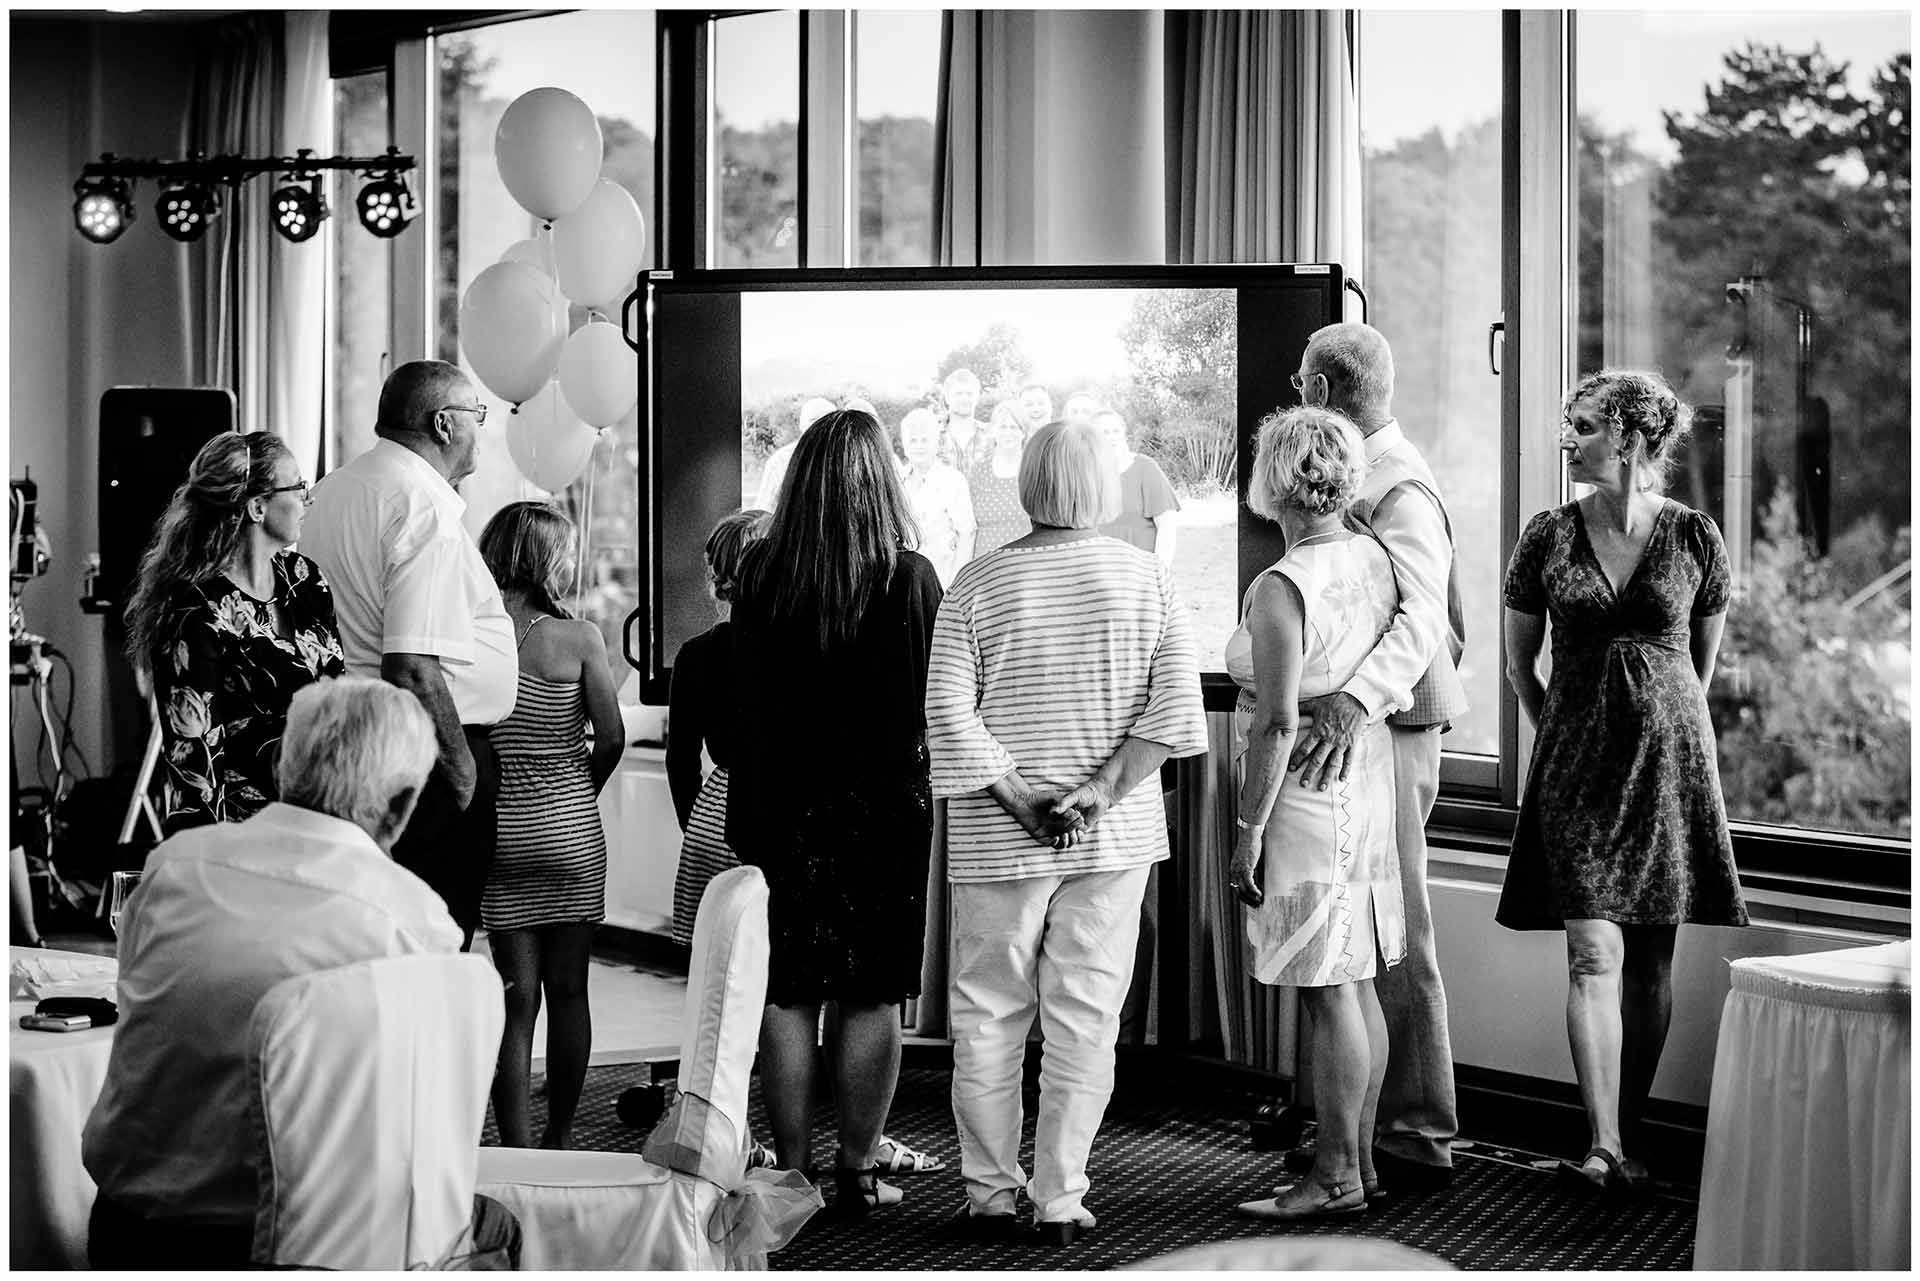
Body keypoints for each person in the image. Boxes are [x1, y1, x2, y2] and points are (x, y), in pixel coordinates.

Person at [81, 677, 518, 1269]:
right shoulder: (413, 922)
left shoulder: (172, 869)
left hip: (127, 1233)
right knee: (499, 1226)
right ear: (399, 807)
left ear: (287, 770)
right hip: (283, 1250)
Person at [926, 420, 1207, 1245]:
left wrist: (1019, 798)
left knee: (986, 1011)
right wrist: (1099, 792)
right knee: (1086, 1013)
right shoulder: (1148, 580)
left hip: (994, 837)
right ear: (1104, 488)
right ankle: (1059, 1197)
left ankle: (987, 1190)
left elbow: (946, 709)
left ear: (1025, 484)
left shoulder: (974, 584)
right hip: (1111, 840)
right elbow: (1173, 710)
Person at [1499, 370, 1747, 1192]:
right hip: (1575, 768)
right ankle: (1602, 1142)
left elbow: (1696, 668)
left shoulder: (1695, 536)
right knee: (1590, 951)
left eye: (1582, 425)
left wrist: (1656, 723)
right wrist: (1566, 727)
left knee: (1649, 960)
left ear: (1633, 440)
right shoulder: (1547, 534)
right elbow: (1517, 662)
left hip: (1669, 770)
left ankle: (1633, 1131)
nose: (1567, 438)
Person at [727, 409, 943, 1215]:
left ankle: (791, 1172)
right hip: (883, 814)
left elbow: (745, 713)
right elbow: (928, 704)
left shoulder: (759, 576)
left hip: (782, 811)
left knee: (788, 994)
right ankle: (856, 1170)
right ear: (882, 480)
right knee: (872, 993)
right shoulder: (909, 578)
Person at [1279, 322, 1468, 1192]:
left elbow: (1423, 616)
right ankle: (1353, 1132)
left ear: (1319, 392)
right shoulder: (1374, 468)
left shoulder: (1401, 484)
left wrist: (1353, 701)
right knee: (1358, 936)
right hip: (1364, 724)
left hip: (1388, 723)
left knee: (1396, 931)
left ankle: (1415, 1131)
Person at [1225, 407, 1403, 1221]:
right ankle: (1357, 1162)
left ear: (1274, 478)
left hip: (1300, 795)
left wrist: (1248, 831)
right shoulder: (1373, 556)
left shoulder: (1280, 585)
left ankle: (1332, 1176)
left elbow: (1278, 719)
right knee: (1355, 981)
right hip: (1364, 784)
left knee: (1328, 991)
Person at [301, 360, 518, 949]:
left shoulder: (330, 491)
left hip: (343, 740)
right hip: (421, 755)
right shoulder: (423, 508)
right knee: (433, 944)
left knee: (364, 935)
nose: (481, 428)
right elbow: (415, 669)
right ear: (443, 425)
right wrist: (465, 774)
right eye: (476, 414)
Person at [477, 501, 624, 1150]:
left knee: (516, 1000)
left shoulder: (471, 632)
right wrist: (576, 793)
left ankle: (514, 1143)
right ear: (544, 559)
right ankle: (560, 1139)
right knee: (571, 992)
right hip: (570, 834)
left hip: (500, 834)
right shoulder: (581, 639)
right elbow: (613, 737)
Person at [121, 431, 344, 833]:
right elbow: (196, 769)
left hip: (327, 814)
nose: (307, 499)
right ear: (258, 506)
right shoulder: (194, 611)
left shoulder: (306, 580)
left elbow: (339, 698)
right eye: (297, 487)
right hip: (245, 835)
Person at [666, 508, 768, 946]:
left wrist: (696, 825)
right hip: (772, 816)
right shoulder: (791, 649)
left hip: (713, 818)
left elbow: (680, 760)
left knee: (717, 984)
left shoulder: (694, 654)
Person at [898, 407, 977, 587]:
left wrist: (955, 585)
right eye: (913, 440)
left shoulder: (953, 481)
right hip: (905, 583)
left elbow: (967, 534)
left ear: (936, 443)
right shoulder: (896, 482)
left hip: (941, 579)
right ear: (904, 444)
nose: (919, 446)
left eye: (925, 440)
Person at [1093, 409, 1181, 567]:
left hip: (1140, 571)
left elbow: (1167, 524)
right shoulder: (1084, 475)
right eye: (1104, 432)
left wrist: (1161, 569)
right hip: (1099, 570)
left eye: (1116, 431)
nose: (1112, 437)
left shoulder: (1145, 467)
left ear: (1123, 433)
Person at [967, 401, 1031, 557]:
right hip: (986, 564)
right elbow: (969, 528)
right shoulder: (978, 472)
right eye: (1002, 427)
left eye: (1014, 427)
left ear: (1023, 432)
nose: (1008, 433)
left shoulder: (1034, 471)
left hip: (1025, 563)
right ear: (993, 431)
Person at [753, 395, 838, 512]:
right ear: (802, 426)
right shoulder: (780, 461)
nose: (821, 429)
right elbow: (763, 511)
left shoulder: (844, 459)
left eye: (828, 422)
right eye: (815, 421)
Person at [938, 368, 991, 472]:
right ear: (947, 398)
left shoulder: (992, 434)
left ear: (977, 398)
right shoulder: (933, 436)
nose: (964, 399)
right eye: (958, 393)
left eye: (969, 394)